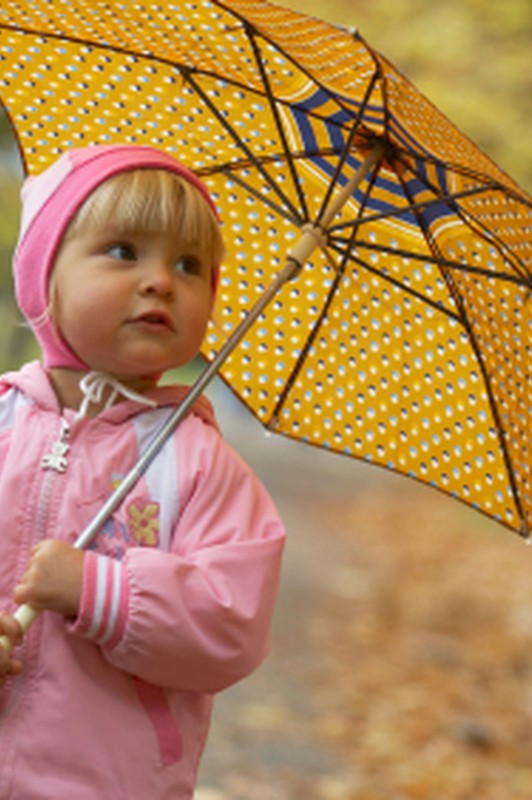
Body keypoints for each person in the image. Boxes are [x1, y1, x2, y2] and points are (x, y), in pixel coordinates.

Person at [0, 145, 286, 797]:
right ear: (44, 274)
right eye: (124, 251)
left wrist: (100, 592)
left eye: (189, 266)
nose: (161, 280)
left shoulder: (199, 463)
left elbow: (233, 625)